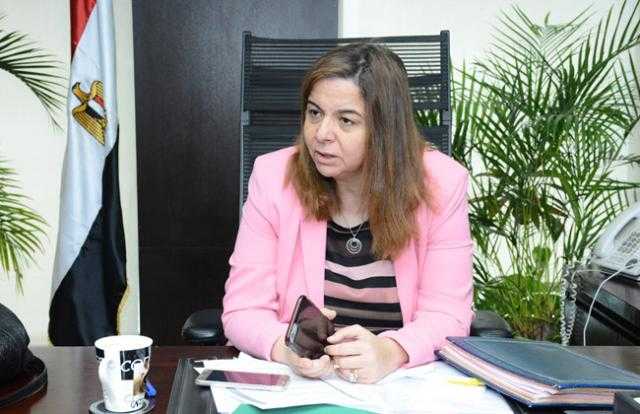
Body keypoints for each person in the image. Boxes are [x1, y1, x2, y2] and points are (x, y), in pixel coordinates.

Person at [222, 43, 473, 384]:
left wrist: (391, 351)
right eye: (314, 113)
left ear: (385, 130)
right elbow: (243, 310)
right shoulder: (273, 177)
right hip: (306, 387)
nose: (321, 134)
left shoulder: (443, 184)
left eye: (346, 120)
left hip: (398, 387)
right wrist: (287, 349)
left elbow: (448, 315)